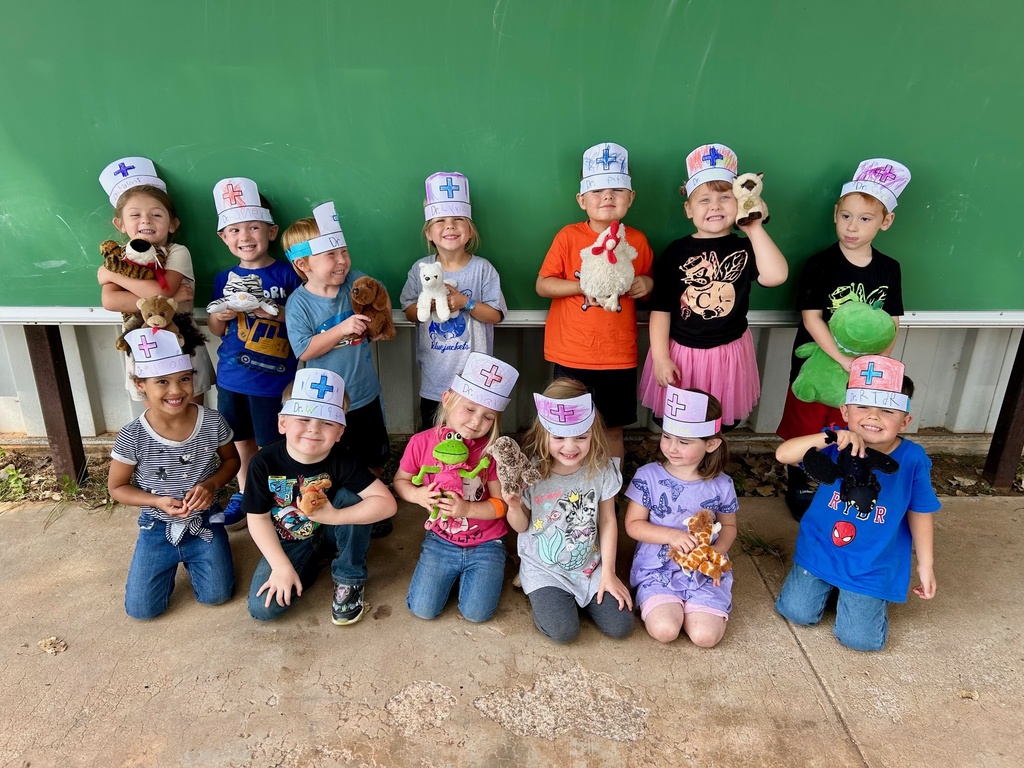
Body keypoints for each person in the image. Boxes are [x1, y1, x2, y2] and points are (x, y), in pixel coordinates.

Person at [774, 355, 939, 652]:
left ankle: (863, 596)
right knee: (796, 612)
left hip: (871, 561)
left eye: (887, 410)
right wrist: (832, 436)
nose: (873, 416)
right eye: (863, 406)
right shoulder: (837, 443)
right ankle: (836, 588)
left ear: (905, 420)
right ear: (845, 411)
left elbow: (920, 510)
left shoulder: (913, 459)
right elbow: (784, 454)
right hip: (822, 548)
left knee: (860, 640)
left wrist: (925, 564)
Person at [776, 159, 910, 519]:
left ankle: (844, 478)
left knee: (850, 422)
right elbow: (811, 317)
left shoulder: (889, 268)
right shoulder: (820, 263)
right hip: (817, 364)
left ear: (886, 221)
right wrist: (840, 359)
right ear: (835, 213)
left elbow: (891, 322)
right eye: (846, 216)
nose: (852, 227)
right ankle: (802, 478)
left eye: (865, 219)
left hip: (863, 373)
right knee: (807, 422)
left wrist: (872, 364)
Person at [638, 143, 788, 431]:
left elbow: (775, 276)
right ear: (688, 209)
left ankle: (711, 466)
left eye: (725, 197)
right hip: (683, 354)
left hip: (728, 355)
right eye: (704, 200)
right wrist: (660, 357)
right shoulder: (676, 251)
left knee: (717, 422)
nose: (715, 206)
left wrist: (754, 227)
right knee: (679, 421)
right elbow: (661, 309)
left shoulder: (746, 246)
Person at [241, 368, 397, 624]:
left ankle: (349, 577)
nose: (314, 429)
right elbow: (257, 519)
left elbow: (387, 505)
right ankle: (310, 563)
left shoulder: (343, 459)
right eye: (303, 419)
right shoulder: (263, 462)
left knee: (355, 497)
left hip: (333, 532)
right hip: (290, 539)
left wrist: (335, 517)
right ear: (282, 423)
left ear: (339, 432)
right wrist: (281, 567)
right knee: (263, 608)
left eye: (327, 422)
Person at [107, 328, 240, 620]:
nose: (176, 391)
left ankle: (204, 553)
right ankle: (170, 560)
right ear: (140, 384)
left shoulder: (213, 421)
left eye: (184, 379)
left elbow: (232, 461)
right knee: (142, 611)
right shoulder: (132, 435)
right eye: (162, 382)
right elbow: (117, 487)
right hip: (156, 526)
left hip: (206, 519)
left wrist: (211, 484)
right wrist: (155, 502)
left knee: (217, 595)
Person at [537, 142, 654, 466]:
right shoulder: (568, 237)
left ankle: (611, 490)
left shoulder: (638, 241)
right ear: (582, 199)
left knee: (613, 429)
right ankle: (566, 483)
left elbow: (647, 291)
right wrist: (581, 286)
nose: (607, 197)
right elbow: (543, 284)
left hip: (617, 356)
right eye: (598, 190)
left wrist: (648, 284)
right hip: (572, 352)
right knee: (566, 427)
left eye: (617, 190)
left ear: (630, 198)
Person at [281, 201, 393, 537]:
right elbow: (305, 349)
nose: (343, 260)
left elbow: (377, 299)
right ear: (304, 264)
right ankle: (332, 504)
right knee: (331, 457)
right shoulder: (299, 303)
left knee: (373, 452)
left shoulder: (354, 282)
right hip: (325, 403)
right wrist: (341, 330)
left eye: (344, 251)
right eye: (332, 255)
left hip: (364, 393)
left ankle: (372, 500)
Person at [504, 379, 633, 643]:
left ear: (593, 433)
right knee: (564, 633)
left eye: (581, 437)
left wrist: (608, 572)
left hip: (589, 566)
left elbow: (608, 520)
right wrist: (514, 505)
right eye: (560, 437)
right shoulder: (532, 473)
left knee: (621, 626)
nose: (570, 447)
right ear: (544, 434)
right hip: (546, 569)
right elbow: (520, 526)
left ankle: (574, 599)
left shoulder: (600, 470)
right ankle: (536, 587)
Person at [393, 352, 518, 623]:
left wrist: (466, 508)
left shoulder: (490, 450)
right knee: (422, 609)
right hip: (441, 538)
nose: (476, 422)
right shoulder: (421, 443)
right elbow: (400, 482)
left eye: (488, 418)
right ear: (448, 399)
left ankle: (486, 568)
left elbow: (501, 505)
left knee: (477, 614)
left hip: (487, 541)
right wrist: (416, 494)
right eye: (470, 409)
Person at [206, 177, 303, 525]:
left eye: (253, 228)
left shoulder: (289, 274)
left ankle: (278, 502)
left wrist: (270, 313)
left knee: (271, 447)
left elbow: (301, 324)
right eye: (234, 230)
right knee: (242, 444)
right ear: (223, 237)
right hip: (232, 378)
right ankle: (249, 500)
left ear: (272, 231)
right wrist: (221, 315)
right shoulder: (223, 278)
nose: (244, 237)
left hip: (273, 382)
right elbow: (217, 330)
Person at [624, 387, 737, 647]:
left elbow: (729, 525)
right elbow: (632, 525)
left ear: (711, 443)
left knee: (705, 637)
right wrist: (671, 535)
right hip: (657, 567)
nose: (671, 448)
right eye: (666, 437)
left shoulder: (721, 483)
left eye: (684, 442)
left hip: (703, 569)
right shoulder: (648, 476)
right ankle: (664, 601)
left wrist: (716, 555)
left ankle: (699, 606)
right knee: (665, 630)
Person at [97, 156, 215, 404]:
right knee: (158, 414)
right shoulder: (117, 257)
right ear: (119, 224)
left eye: (156, 215)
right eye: (135, 215)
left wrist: (111, 274)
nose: (145, 221)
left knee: (194, 412)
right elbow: (110, 300)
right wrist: (169, 297)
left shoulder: (177, 252)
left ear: (172, 224)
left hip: (182, 342)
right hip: (143, 348)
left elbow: (161, 288)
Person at [400, 171, 507, 430]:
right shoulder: (420, 268)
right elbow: (409, 311)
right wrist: (430, 304)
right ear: (429, 233)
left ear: (469, 232)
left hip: (475, 378)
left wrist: (464, 303)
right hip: (435, 377)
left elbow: (496, 315)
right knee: (433, 438)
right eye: (440, 221)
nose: (450, 226)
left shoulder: (483, 269)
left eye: (458, 220)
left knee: (474, 435)